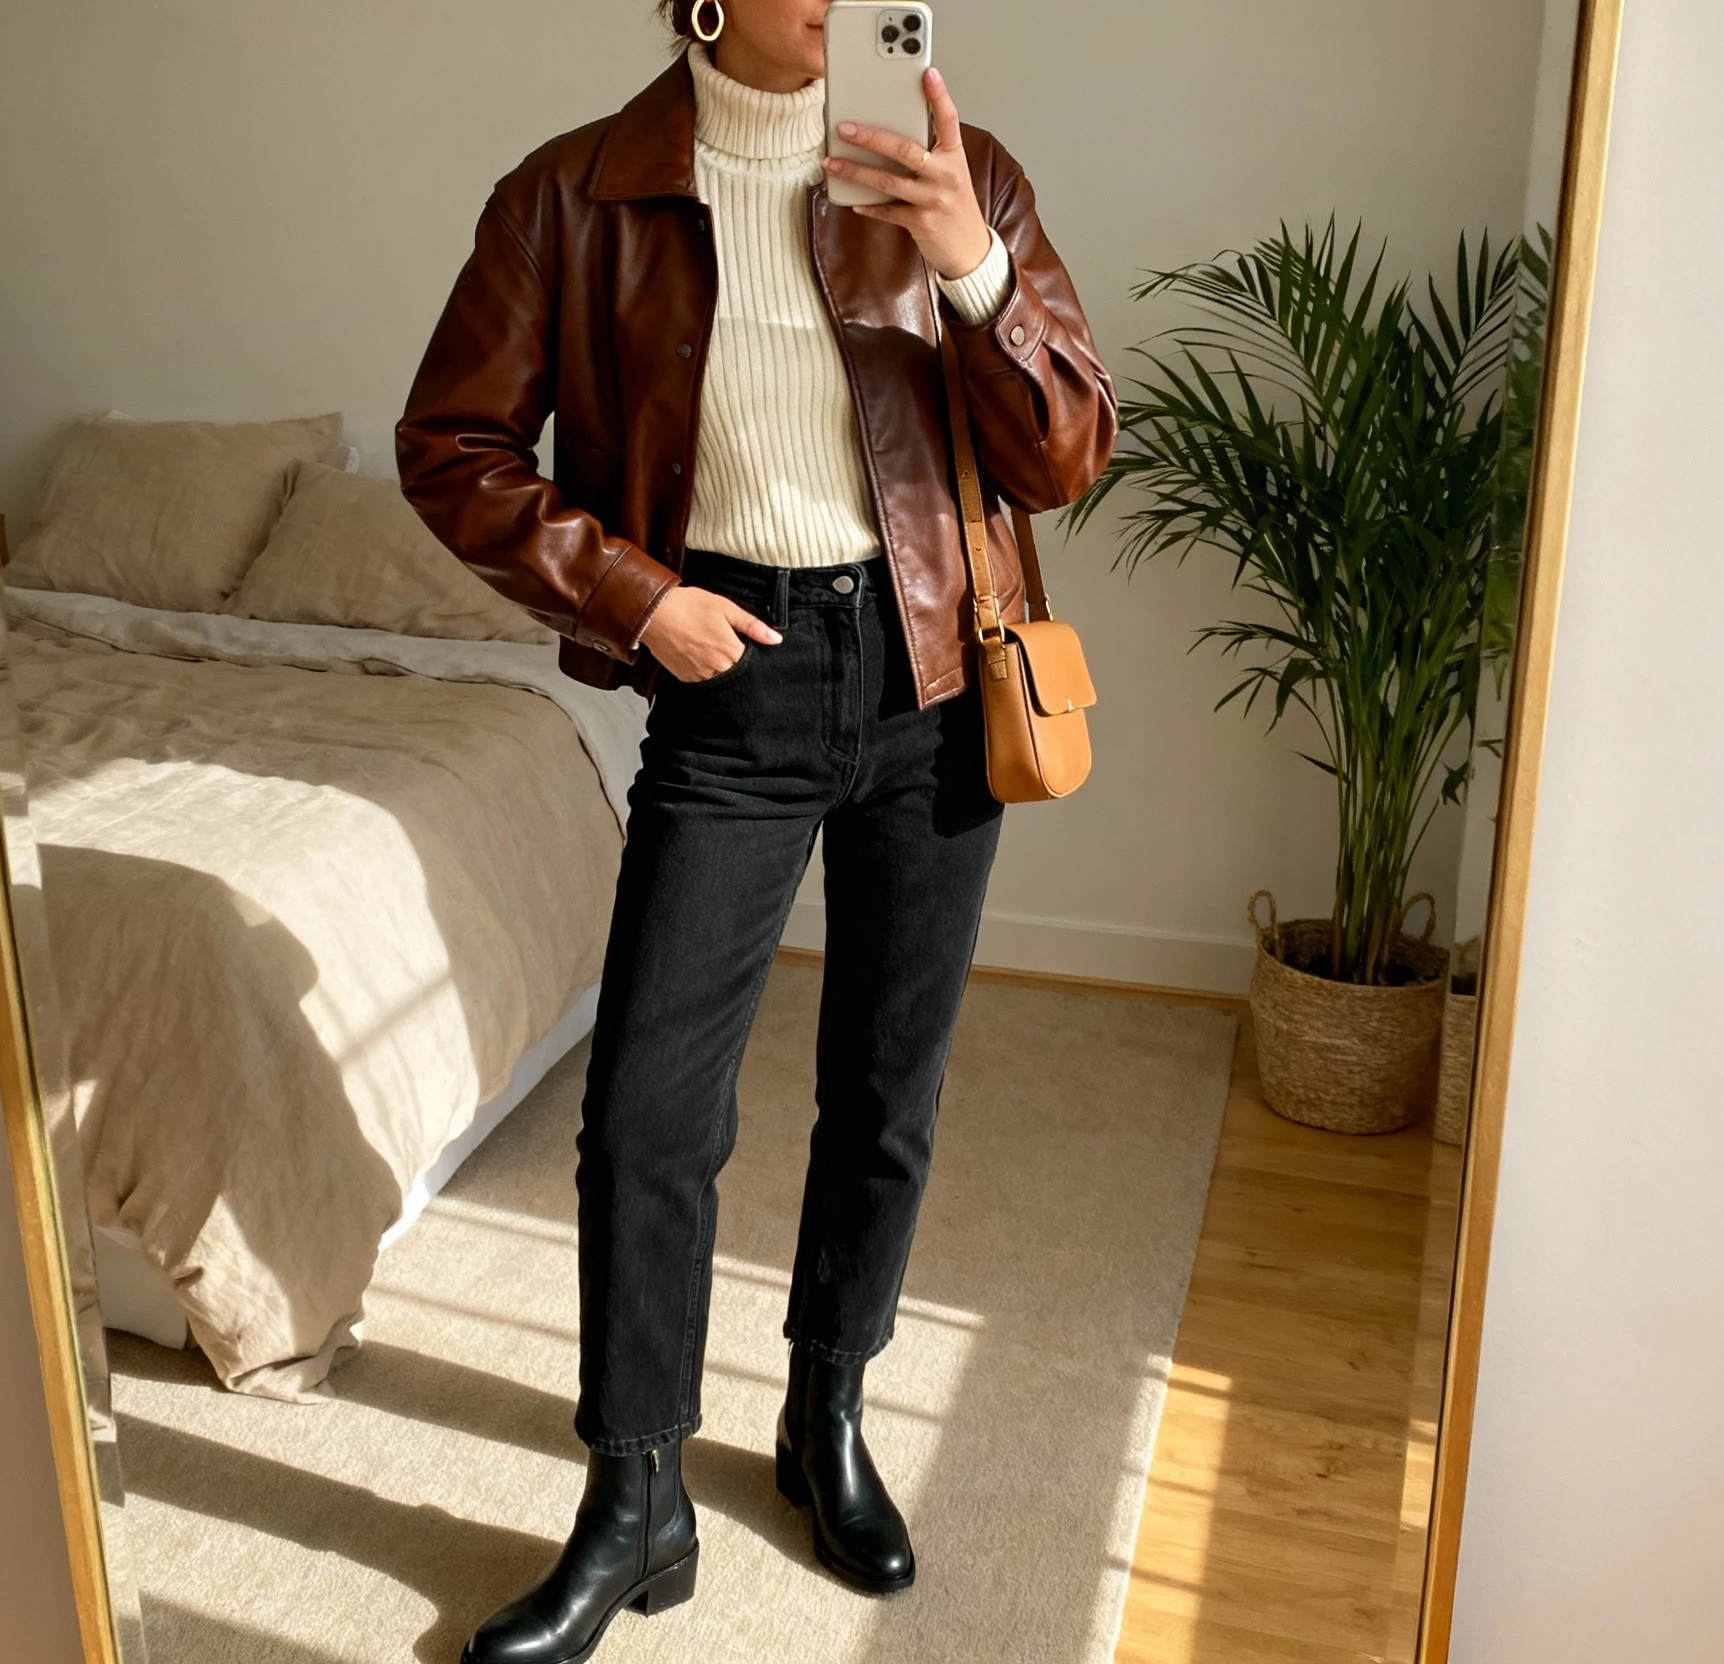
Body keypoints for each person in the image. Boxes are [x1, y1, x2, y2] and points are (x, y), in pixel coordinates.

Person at [397, 2, 1112, 1657]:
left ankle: (824, 1415)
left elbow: (1066, 452)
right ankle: (636, 1494)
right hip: (733, 682)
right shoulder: (569, 198)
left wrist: (973, 268)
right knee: (648, 1113)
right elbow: (452, 445)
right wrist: (636, 598)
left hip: (937, 677)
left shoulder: (962, 174)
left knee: (885, 1089)